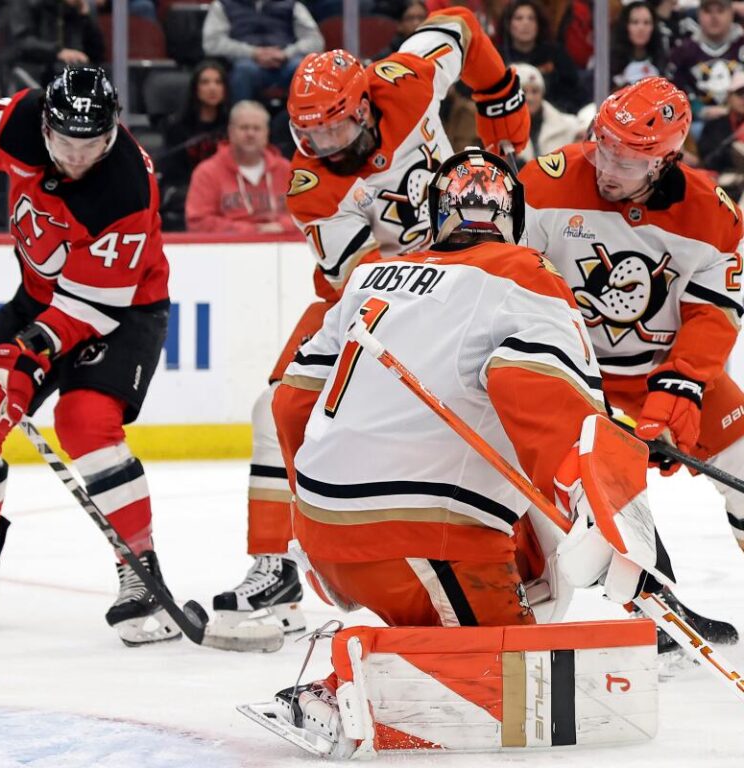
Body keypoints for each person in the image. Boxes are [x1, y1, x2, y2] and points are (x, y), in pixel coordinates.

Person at [256, 148, 673, 756]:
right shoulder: (524, 273)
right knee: (514, 686)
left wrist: (315, 514)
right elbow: (540, 395)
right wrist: (608, 510)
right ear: (516, 217)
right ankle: (345, 684)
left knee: (534, 560)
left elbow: (291, 404)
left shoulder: (370, 275)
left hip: (325, 526)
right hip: (421, 535)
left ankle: (397, 646)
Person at [210, 7, 532, 642]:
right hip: (382, 291)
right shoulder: (310, 187)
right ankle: (275, 561)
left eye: (338, 130)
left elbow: (460, 23)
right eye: (313, 137)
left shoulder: (405, 80)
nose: (329, 148)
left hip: (473, 263)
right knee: (273, 408)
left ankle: (527, 550)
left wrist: (500, 99)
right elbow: (359, 281)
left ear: (364, 105)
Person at [0, 66, 179, 647]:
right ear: (46, 124)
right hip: (38, 298)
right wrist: (20, 350)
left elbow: (89, 307)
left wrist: (30, 351)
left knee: (85, 422)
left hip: (121, 311)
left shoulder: (124, 189)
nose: (77, 156)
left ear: (113, 130)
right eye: (66, 142)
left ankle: (141, 572)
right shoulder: (19, 121)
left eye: (92, 143)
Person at [519, 76, 744, 561]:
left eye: (626, 160)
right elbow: (506, 283)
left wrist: (678, 390)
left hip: (657, 372)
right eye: (603, 147)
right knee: (559, 492)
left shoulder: (712, 216)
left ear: (664, 161)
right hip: (567, 374)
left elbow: (714, 314)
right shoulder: (545, 184)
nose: (606, 168)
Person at [185, 100, 299, 235]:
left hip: (284, 248)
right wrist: (250, 231)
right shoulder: (207, 172)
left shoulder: (287, 170)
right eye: (244, 128)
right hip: (227, 251)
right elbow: (198, 222)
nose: (250, 134)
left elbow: (309, 215)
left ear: (267, 133)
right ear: (230, 132)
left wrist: (283, 226)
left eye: (257, 128)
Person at [201, 0, 324, 105]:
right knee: (244, 70)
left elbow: (316, 40)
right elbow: (212, 43)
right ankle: (242, 124)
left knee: (302, 70)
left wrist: (286, 54)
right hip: (246, 63)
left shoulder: (292, 5)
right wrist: (253, 52)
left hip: (286, 61)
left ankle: (307, 126)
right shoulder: (223, 5)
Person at [159, 60, 231, 231]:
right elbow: (172, 173)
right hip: (188, 189)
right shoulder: (176, 127)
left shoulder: (233, 125)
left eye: (218, 82)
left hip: (228, 190)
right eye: (205, 82)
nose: (212, 88)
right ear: (195, 88)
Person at [668, 0, 744, 128]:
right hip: (695, 123)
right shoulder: (682, 51)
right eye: (708, 11)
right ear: (698, 14)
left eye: (720, 11)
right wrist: (698, 110)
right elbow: (673, 90)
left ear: (731, 13)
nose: (714, 17)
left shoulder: (741, 45)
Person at [498, 0, 583, 113]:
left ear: (538, 24)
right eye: (519, 18)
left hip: (554, 118)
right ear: (508, 24)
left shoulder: (555, 54)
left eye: (531, 18)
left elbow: (575, 93)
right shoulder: (497, 57)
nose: (526, 23)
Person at [5, 0, 105, 88]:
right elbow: (23, 42)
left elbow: (97, 52)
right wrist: (58, 52)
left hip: (74, 72)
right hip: (35, 70)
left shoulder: (80, 6)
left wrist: (84, 16)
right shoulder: (27, 3)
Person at [514, 62, 579, 167]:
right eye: (524, 92)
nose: (529, 98)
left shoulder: (569, 126)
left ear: (542, 94)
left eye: (535, 91)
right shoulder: (503, 132)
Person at [698, 68, 744, 200]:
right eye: (740, 94)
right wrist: (733, 142)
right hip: (723, 183)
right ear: (729, 97)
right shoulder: (714, 125)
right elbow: (708, 162)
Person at [610, 1, 667, 89]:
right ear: (625, 26)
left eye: (647, 23)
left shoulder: (661, 61)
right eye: (635, 22)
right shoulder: (610, 62)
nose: (641, 28)